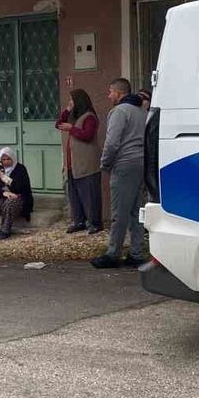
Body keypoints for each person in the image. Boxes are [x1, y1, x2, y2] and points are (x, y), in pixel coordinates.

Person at [91, 78, 147, 269]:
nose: (109, 96)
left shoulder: (119, 112)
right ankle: (136, 253)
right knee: (136, 211)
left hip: (124, 163)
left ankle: (113, 253)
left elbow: (112, 142)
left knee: (119, 212)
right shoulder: (142, 111)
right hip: (141, 162)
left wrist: (105, 163)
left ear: (118, 92)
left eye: (110, 92)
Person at [55, 88, 102, 234]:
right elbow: (58, 124)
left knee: (89, 194)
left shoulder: (89, 117)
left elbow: (88, 135)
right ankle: (79, 220)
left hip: (86, 163)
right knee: (74, 194)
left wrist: (72, 128)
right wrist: (67, 110)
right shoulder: (75, 116)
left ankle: (95, 222)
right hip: (73, 163)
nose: (70, 102)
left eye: (72, 100)